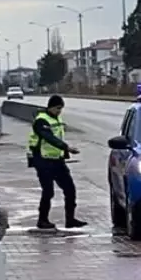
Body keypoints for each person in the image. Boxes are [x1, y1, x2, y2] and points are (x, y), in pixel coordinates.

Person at [27, 95, 86, 230]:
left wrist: (64, 153)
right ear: (51, 107)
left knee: (70, 189)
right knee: (48, 191)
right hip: (42, 160)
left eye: (61, 109)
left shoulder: (56, 119)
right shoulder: (41, 121)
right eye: (58, 108)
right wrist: (67, 148)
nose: (60, 111)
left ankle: (70, 219)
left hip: (57, 160)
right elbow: (50, 138)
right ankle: (42, 220)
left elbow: (57, 136)